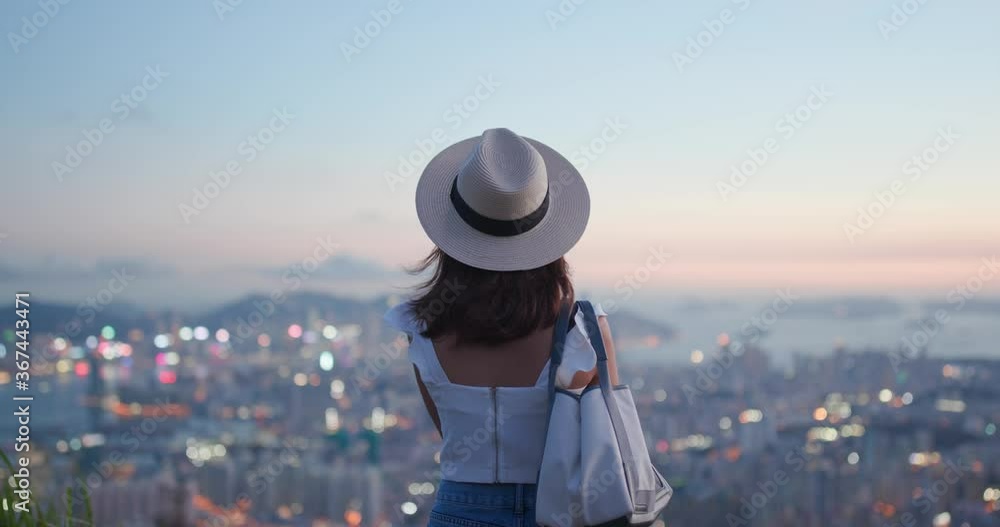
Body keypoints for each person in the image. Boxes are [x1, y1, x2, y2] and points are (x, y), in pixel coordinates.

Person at [385, 128, 621, 527]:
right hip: (559, 511)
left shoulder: (420, 326)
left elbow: (449, 431)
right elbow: (605, 435)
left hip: (458, 511)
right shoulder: (583, 329)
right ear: (548, 240)